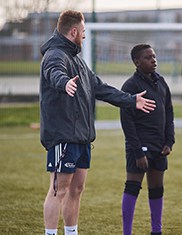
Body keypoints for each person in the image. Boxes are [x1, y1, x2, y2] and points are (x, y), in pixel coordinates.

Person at [40, 11, 156, 235]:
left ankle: (71, 232)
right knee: (58, 190)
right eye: (82, 32)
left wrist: (132, 101)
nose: (84, 36)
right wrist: (64, 83)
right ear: (73, 31)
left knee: (77, 189)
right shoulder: (55, 55)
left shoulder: (78, 62)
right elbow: (54, 73)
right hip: (63, 136)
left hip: (82, 137)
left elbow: (101, 88)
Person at [120, 44, 175, 235]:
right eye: (148, 57)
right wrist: (137, 152)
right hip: (139, 147)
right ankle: (127, 232)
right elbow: (127, 122)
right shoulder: (130, 86)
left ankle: (156, 231)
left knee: (157, 188)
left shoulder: (161, 82)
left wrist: (169, 140)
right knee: (133, 187)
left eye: (154, 56)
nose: (154, 60)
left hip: (159, 146)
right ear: (137, 62)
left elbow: (168, 111)